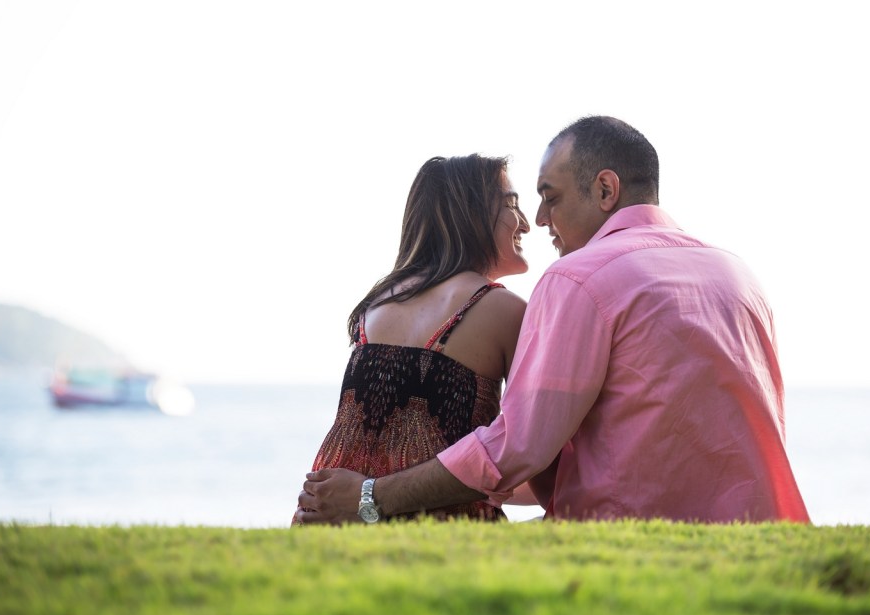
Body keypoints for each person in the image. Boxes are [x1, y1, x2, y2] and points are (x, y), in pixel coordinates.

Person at [296, 116, 810, 524]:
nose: (539, 221)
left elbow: (519, 447)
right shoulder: (740, 277)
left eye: (550, 197)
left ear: (606, 191)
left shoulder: (578, 279)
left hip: (626, 543)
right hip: (764, 535)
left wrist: (370, 496)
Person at [290, 154, 531, 524]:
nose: (526, 224)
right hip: (443, 538)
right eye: (512, 204)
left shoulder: (376, 305)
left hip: (330, 525)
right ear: (471, 211)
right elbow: (527, 453)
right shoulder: (501, 309)